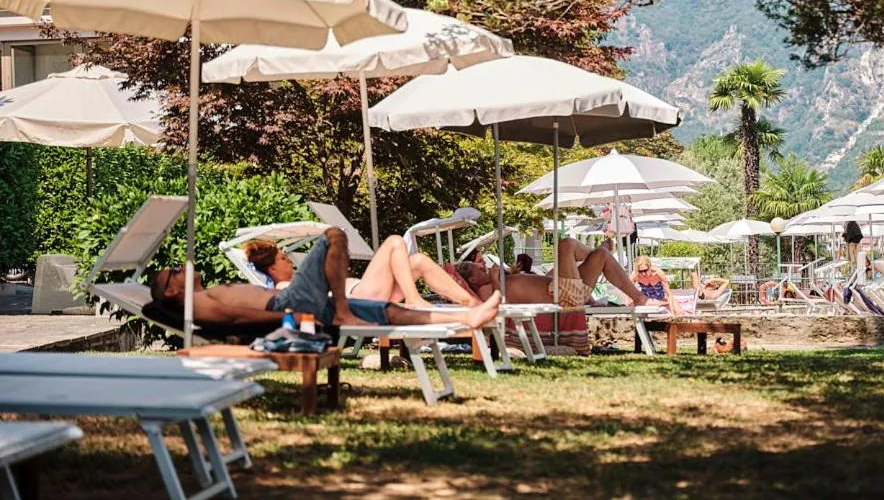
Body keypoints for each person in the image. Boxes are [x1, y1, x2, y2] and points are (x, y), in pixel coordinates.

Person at [153, 226, 500, 330]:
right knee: (333, 236)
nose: (182, 267)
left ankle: (468, 314)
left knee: (388, 314)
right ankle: (343, 312)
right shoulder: (194, 303)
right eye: (175, 272)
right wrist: (285, 318)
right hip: (288, 304)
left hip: (302, 305)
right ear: (171, 291)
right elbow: (238, 317)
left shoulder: (204, 295)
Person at [245, 233, 479, 308]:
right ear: (273, 267)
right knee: (395, 242)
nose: (290, 262)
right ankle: (414, 299)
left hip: (367, 294)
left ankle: (472, 304)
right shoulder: (283, 287)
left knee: (417, 260)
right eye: (284, 259)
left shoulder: (295, 280)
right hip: (361, 300)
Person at [457, 237, 651, 308]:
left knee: (601, 255)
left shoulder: (494, 282)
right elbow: (498, 309)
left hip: (563, 289)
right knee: (566, 245)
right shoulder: (483, 292)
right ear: (473, 279)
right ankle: (595, 252)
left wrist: (512, 272)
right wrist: (495, 279)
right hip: (565, 297)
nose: (484, 267)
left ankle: (639, 297)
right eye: (480, 269)